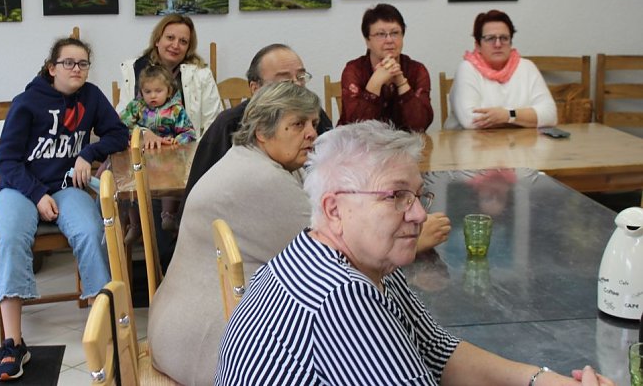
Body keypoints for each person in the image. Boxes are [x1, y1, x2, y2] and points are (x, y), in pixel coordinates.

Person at [215, 121, 614, 386]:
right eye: (396, 197)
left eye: (418, 194)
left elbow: (439, 350)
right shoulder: (341, 296)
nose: (420, 213)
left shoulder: (354, 260)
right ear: (335, 209)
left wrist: (543, 381)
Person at [184, 43, 450, 254]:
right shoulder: (244, 149)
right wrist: (408, 241)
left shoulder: (307, 125)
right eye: (298, 124)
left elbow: (340, 179)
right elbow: (320, 251)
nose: (312, 134)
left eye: (300, 77)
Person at [148, 82, 320, 386]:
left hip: (181, 331)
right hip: (210, 351)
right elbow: (335, 253)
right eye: (297, 124)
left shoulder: (253, 159)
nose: (312, 133)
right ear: (262, 131)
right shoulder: (262, 178)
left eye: (313, 124)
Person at [0, 37, 128, 382]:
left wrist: (88, 154)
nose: (77, 69)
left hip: (66, 187)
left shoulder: (92, 97)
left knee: (91, 230)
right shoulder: (27, 103)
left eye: (83, 63)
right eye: (69, 63)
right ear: (52, 68)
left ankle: (101, 326)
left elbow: (119, 134)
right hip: (22, 189)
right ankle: (13, 344)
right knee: (9, 238)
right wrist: (37, 195)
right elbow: (5, 161)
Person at [183, 44, 332, 200]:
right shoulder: (229, 124)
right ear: (255, 88)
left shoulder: (314, 115)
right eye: (285, 81)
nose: (298, 86)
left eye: (301, 78)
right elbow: (200, 192)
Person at [119, 64, 195, 241]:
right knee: (130, 184)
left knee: (171, 179)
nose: (152, 96)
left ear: (168, 91)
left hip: (167, 157)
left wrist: (177, 141)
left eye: (158, 91)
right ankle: (134, 224)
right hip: (141, 158)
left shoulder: (176, 109)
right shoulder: (137, 107)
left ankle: (168, 215)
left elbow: (189, 133)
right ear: (141, 91)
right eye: (148, 91)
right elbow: (121, 126)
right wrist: (141, 133)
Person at [447, 9, 558, 130]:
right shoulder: (467, 68)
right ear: (478, 45)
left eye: (504, 38)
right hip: (475, 145)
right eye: (490, 38)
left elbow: (550, 116)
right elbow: (471, 121)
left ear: (511, 42)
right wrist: (527, 118)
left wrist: (508, 115)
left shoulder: (527, 67)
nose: (498, 44)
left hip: (520, 145)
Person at [118, 13, 221, 137]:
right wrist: (143, 134)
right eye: (170, 38)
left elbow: (214, 123)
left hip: (188, 150)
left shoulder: (201, 75)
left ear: (188, 48)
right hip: (143, 150)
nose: (175, 45)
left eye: (183, 41)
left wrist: (196, 152)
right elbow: (121, 122)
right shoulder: (134, 70)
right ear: (157, 40)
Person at [339, 3, 433, 131]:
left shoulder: (417, 70)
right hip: (359, 147)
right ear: (367, 40)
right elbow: (356, 127)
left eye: (395, 33)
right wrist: (376, 81)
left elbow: (420, 126)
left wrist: (401, 82)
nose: (389, 40)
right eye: (380, 34)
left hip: (405, 146)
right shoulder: (354, 70)